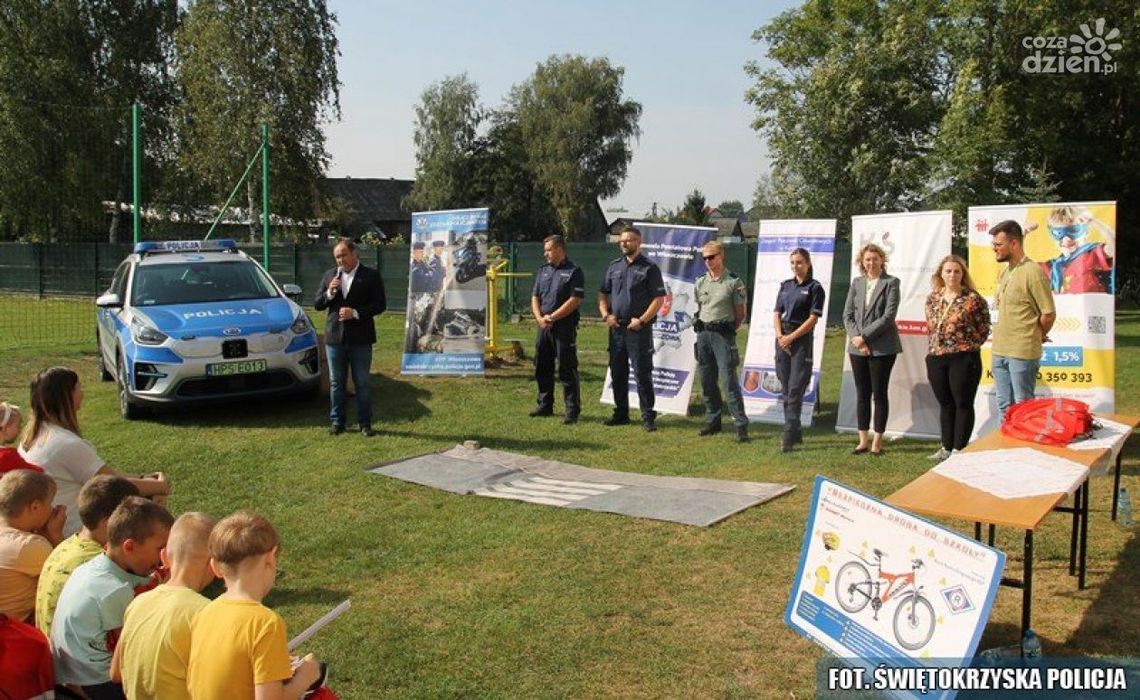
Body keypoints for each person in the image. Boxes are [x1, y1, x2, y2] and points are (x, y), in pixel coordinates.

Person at [18, 367, 170, 537]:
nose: (82, 393)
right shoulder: (65, 444)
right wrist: (160, 485)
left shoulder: (31, 439)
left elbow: (109, 476)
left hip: (54, 529)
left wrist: (144, 479)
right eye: (78, 388)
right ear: (66, 396)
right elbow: (111, 486)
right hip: (74, 531)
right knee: (152, 507)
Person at [187, 511, 321, 700]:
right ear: (270, 558)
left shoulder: (204, 613)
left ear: (215, 567)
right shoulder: (265, 624)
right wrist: (305, 677)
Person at [52, 496, 173, 699]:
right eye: (160, 549)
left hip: (69, 670)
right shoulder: (114, 590)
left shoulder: (94, 566)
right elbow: (130, 650)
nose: (163, 557)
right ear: (129, 546)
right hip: (96, 682)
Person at [111, 512, 218, 700]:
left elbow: (116, 673)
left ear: (164, 557)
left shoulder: (138, 602)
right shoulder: (206, 613)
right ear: (216, 564)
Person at [36, 475, 140, 639]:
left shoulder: (65, 545)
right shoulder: (101, 562)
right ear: (109, 523)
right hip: (82, 660)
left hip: (57, 654)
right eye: (136, 519)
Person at [314, 238, 387, 437]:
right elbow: (317, 303)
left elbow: (380, 305)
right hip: (335, 338)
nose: (340, 260)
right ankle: (337, 422)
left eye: (343, 255)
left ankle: (365, 423)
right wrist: (329, 293)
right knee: (336, 382)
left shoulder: (370, 275)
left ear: (354, 254)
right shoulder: (330, 275)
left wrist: (356, 313)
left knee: (362, 382)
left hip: (361, 338)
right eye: (337, 257)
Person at [598, 226, 667, 431]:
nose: (623, 243)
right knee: (618, 372)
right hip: (617, 328)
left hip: (638, 329)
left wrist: (642, 320)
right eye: (621, 241)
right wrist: (605, 315)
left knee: (642, 373)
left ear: (638, 242)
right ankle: (621, 414)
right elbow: (603, 293)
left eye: (628, 240)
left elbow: (659, 299)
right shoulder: (614, 267)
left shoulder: (649, 268)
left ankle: (648, 416)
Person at [924, 256, 992, 461]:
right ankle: (946, 446)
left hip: (964, 358)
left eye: (957, 271)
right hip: (937, 356)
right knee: (945, 403)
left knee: (962, 402)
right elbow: (930, 324)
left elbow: (983, 328)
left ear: (963, 274)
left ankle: (959, 449)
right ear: (941, 274)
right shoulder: (933, 297)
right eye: (948, 271)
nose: (952, 275)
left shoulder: (973, 299)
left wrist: (966, 347)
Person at [989, 220, 1056, 417]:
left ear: (1014, 244)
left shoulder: (1033, 272)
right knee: (1004, 405)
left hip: (1022, 351)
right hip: (999, 349)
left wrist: (1038, 334)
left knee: (1023, 406)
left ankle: (1024, 447)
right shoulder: (1006, 271)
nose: (995, 249)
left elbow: (1048, 313)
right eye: (994, 245)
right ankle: (1007, 446)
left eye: (998, 245)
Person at [842, 243, 902, 456]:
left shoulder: (891, 283)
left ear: (882, 260)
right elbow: (847, 314)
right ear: (862, 261)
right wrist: (856, 339)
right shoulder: (857, 283)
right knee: (862, 394)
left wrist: (864, 337)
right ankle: (862, 440)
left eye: (875, 258)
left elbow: (888, 316)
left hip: (883, 348)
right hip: (857, 347)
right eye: (868, 259)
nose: (871, 262)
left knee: (879, 393)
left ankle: (877, 441)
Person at [693, 241, 750, 443]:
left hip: (723, 336)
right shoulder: (700, 281)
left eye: (712, 256)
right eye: (705, 258)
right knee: (707, 381)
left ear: (721, 255)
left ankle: (740, 425)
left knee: (729, 382)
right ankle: (713, 421)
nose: (708, 261)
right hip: (703, 335)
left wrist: (726, 331)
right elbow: (700, 307)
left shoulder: (734, 282)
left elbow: (740, 314)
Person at [772, 247, 826, 452]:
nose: (796, 266)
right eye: (793, 263)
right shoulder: (785, 286)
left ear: (808, 264)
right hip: (782, 339)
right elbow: (777, 313)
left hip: (801, 340)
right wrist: (780, 337)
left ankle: (788, 436)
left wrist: (791, 338)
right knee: (786, 388)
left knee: (795, 389)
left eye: (800, 262)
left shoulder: (815, 287)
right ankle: (796, 431)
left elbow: (813, 319)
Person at [530, 235, 585, 424]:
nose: (545, 254)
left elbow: (575, 300)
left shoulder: (574, 271)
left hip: (564, 327)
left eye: (548, 250)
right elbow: (535, 297)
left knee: (567, 368)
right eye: (545, 250)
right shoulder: (543, 270)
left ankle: (572, 411)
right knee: (542, 366)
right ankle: (545, 405)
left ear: (560, 249)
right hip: (544, 327)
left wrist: (553, 317)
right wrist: (540, 318)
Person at [0, 470, 65, 623]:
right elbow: (72, 571)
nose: (53, 508)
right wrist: (56, 535)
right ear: (35, 506)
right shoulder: (28, 546)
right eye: (49, 503)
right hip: (18, 630)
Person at [1037, 205, 1114, 294]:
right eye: (1058, 233)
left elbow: (1114, 245)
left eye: (1074, 231)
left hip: (1093, 306)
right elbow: (1019, 267)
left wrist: (1093, 221)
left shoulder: (1092, 255)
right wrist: (1021, 234)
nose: (1066, 239)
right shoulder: (1050, 266)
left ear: (1086, 232)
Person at [1, 401, 42, 474]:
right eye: (18, 425)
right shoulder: (8, 457)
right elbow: (38, 472)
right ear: (6, 428)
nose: (20, 429)